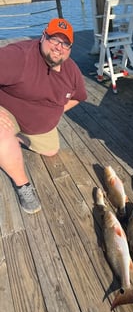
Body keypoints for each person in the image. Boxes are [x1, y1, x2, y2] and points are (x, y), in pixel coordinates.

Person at [0, 18, 87, 214]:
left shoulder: (71, 70)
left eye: (65, 43)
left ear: (70, 48)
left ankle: (18, 139)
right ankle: (23, 186)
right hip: (7, 113)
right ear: (42, 37)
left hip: (37, 125)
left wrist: (56, 111)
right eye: (54, 39)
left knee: (51, 151)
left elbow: (79, 97)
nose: (58, 47)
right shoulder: (18, 56)